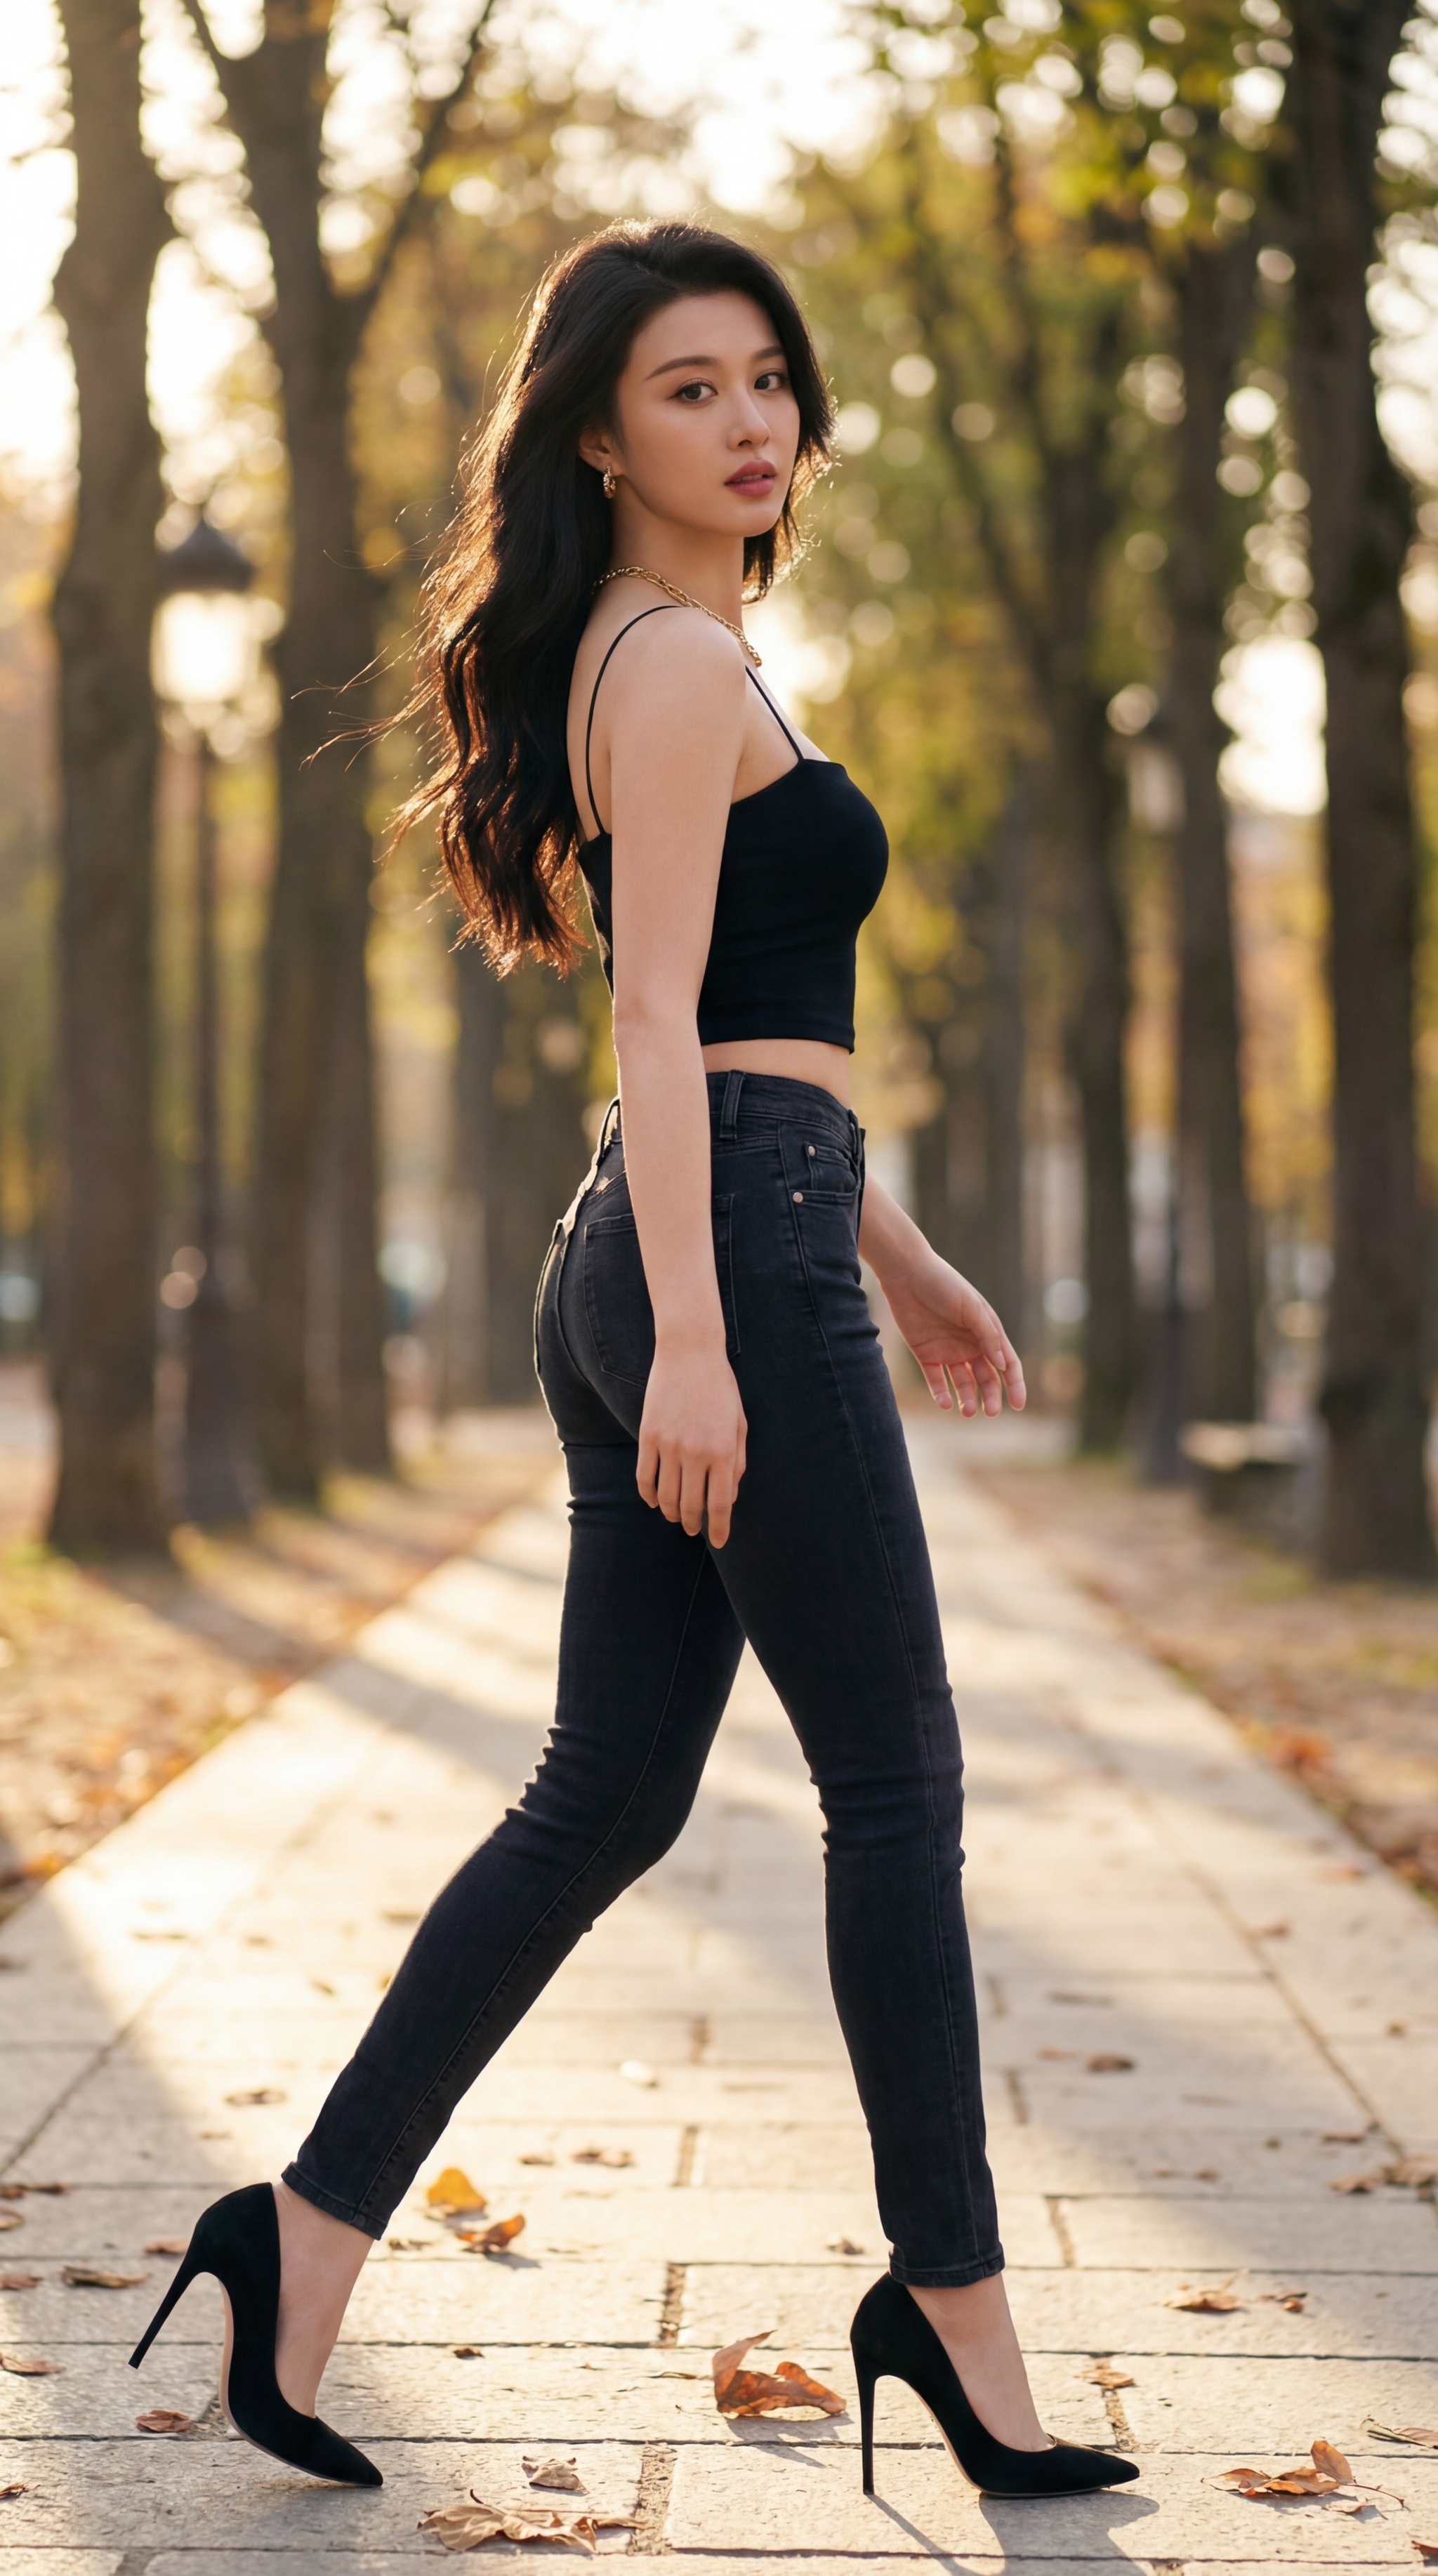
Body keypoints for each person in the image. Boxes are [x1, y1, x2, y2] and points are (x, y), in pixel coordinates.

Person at [131, 220, 1139, 2506]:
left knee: (606, 1795)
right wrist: (711, 1328)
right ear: (601, 428)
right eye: (691, 387)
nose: (752, 418)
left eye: (769, 376)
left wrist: (900, 1250)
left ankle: (297, 2236)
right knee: (892, 1788)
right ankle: (958, 2310)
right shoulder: (676, 665)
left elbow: (757, 1029)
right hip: (714, 1257)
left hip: (740, 1223)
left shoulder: (668, 648)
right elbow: (664, 1014)